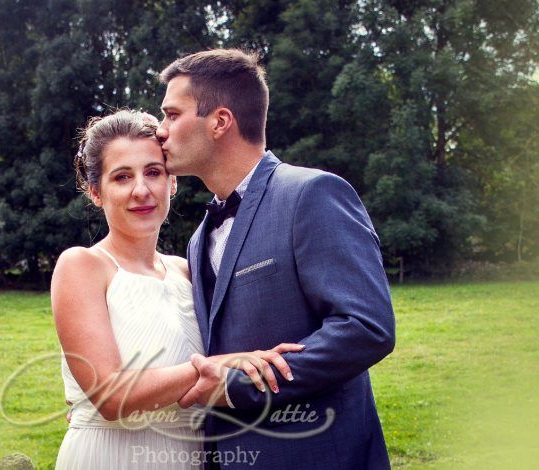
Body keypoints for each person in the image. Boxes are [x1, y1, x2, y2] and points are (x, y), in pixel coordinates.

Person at [156, 49, 396, 469]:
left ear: (220, 121)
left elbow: (365, 327)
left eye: (172, 115)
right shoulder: (199, 238)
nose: (161, 131)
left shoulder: (312, 194)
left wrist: (238, 386)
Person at [51, 110, 302, 469]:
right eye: (122, 177)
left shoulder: (188, 271)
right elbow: (110, 396)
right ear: (95, 191)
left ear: (172, 182)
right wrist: (215, 366)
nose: (142, 190)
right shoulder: (82, 266)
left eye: (153, 172)